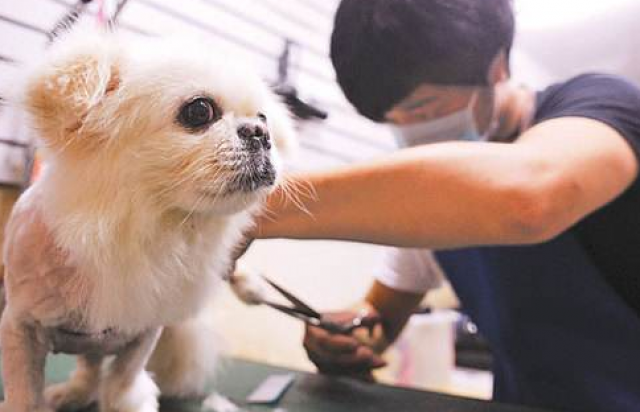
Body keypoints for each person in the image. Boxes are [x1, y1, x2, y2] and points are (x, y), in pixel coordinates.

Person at [236, 0, 640, 410]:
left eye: (425, 109)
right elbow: (378, 315)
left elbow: (527, 200)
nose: (413, 132)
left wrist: (249, 207)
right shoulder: (435, 199)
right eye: (394, 120)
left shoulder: (604, 106)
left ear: (497, 66)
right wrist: (343, 336)